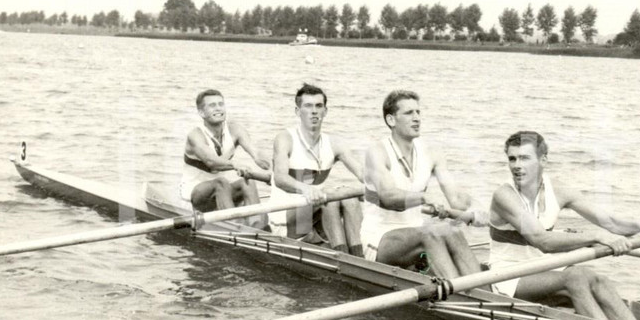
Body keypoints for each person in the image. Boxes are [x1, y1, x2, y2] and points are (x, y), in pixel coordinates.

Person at [488, 131, 640, 320]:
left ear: (543, 160)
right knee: (576, 276)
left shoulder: (558, 190)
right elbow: (543, 241)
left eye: (524, 158)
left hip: (546, 268)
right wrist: (596, 237)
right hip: (509, 275)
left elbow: (610, 223)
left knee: (598, 280)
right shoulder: (504, 196)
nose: (517, 166)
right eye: (512, 159)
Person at [361, 89, 482, 280]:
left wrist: (485, 210)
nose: (417, 118)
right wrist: (423, 197)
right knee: (431, 232)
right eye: (409, 113)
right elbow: (388, 196)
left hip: (417, 232)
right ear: (391, 120)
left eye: (418, 112)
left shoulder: (432, 153)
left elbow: (457, 200)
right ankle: (457, 296)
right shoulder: (377, 152)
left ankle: (483, 293)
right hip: (380, 238)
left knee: (452, 229)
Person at [257, 83, 364, 255]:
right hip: (284, 219)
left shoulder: (335, 143)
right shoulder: (285, 139)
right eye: (308, 106)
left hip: (312, 212)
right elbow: (280, 178)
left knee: (350, 199)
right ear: (298, 112)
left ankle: (358, 257)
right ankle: (344, 259)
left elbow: (363, 174)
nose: (314, 111)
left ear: (325, 111)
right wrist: (307, 189)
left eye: (319, 106)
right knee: (330, 199)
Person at [179, 89, 271, 228]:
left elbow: (256, 152)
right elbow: (211, 163)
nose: (218, 108)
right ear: (202, 113)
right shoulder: (195, 135)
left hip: (222, 193)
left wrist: (272, 167)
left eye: (221, 104)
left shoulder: (235, 130)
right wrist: (235, 165)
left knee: (247, 181)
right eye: (212, 105)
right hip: (194, 195)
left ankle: (258, 227)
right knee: (221, 182)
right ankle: (235, 228)